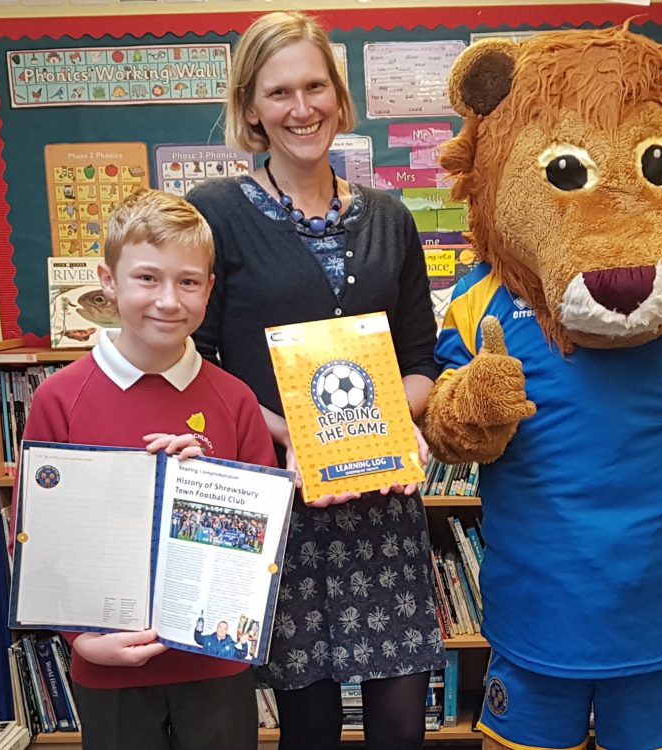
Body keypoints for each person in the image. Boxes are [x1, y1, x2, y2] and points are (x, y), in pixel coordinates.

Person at [187, 11, 445, 749]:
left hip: (382, 503)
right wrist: (291, 437)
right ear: (251, 108)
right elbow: (199, 365)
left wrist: (397, 425)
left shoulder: (390, 218)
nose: (301, 109)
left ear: (338, 95)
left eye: (315, 87)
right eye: (279, 93)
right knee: (309, 726)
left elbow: (421, 361)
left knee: (401, 723)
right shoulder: (215, 215)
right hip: (285, 500)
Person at [18, 189, 274, 750]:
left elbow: (269, 539)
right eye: (146, 279)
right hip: (109, 665)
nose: (168, 300)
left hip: (214, 663)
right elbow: (40, 538)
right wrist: (80, 639)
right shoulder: (61, 398)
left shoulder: (235, 400)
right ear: (108, 281)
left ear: (210, 288)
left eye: (188, 282)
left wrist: (211, 488)